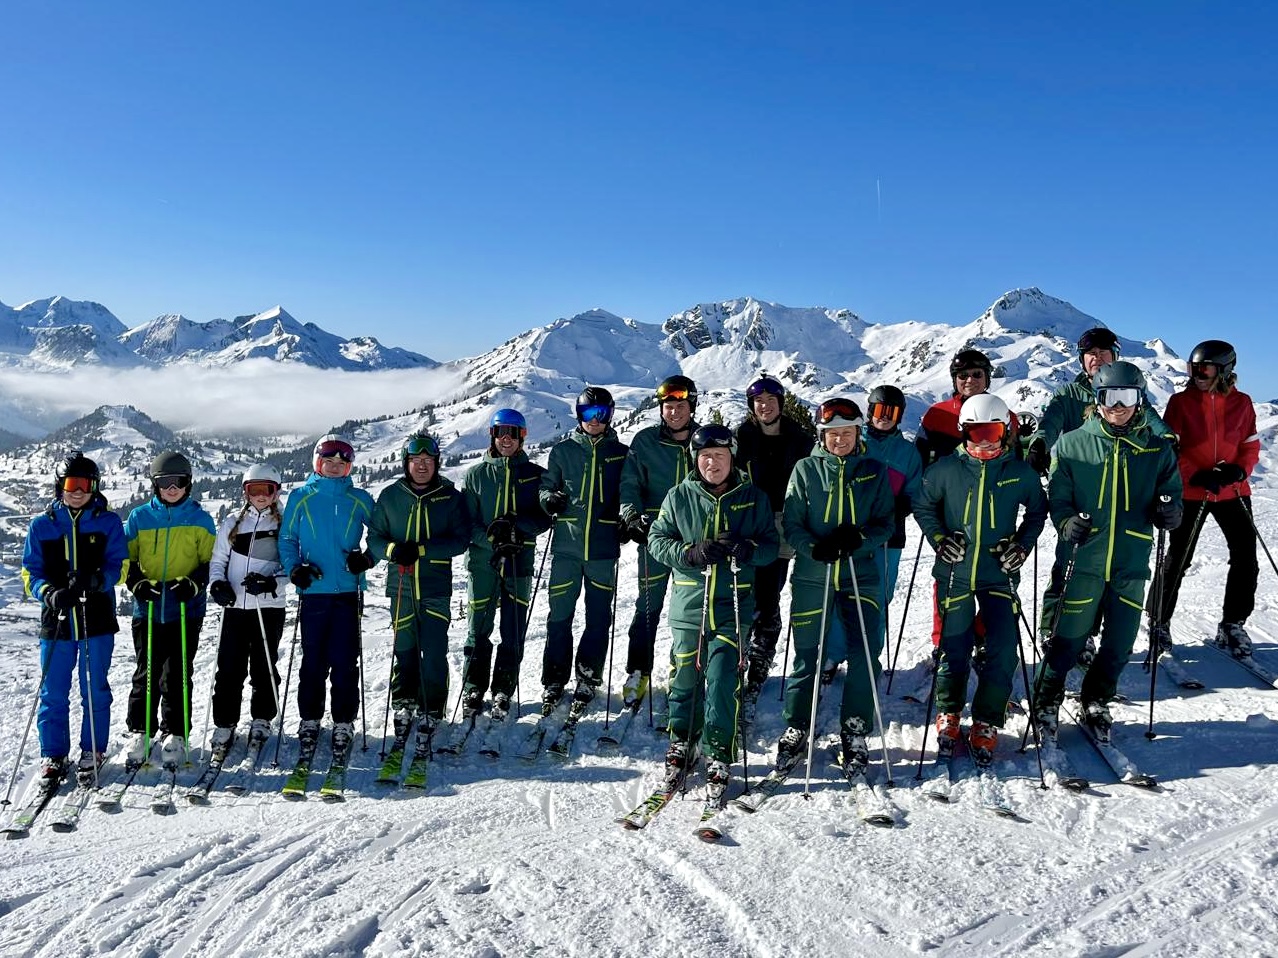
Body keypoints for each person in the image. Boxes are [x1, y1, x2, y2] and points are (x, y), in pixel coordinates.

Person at [1032, 361, 1182, 744]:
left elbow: (1173, 497)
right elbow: (1059, 498)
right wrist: (1066, 523)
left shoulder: (1155, 448)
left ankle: (1097, 698)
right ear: (1096, 400)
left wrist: (1169, 512)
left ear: (1140, 399)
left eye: (1126, 397)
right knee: (1068, 637)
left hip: (1131, 559)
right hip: (1083, 559)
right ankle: (1046, 701)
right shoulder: (1072, 445)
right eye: (1108, 397)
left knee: (1120, 640)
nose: (1117, 406)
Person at [914, 394, 1047, 762]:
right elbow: (923, 505)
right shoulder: (945, 470)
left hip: (998, 575)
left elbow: (1037, 511)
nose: (984, 440)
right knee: (954, 646)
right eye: (976, 431)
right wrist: (940, 539)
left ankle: (987, 718)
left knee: (1003, 647)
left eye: (993, 431)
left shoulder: (1018, 473)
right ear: (963, 432)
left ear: (1005, 432)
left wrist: (1021, 546)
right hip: (955, 572)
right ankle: (950, 711)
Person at [647, 424, 778, 794]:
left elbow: (771, 546)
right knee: (685, 675)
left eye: (719, 456)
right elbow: (657, 541)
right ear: (696, 459)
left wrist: (747, 548)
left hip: (732, 604)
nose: (712, 463)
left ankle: (718, 750)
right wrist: (688, 554)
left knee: (723, 679)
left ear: (731, 458)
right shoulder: (679, 496)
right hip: (690, 602)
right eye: (705, 456)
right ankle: (682, 741)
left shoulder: (753, 498)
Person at [774, 398, 895, 777]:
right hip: (814, 571)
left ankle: (856, 727)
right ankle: (798, 723)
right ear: (822, 436)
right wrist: (814, 546)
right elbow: (792, 522)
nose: (839, 440)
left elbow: (886, 523)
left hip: (861, 571)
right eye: (832, 434)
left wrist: (858, 539)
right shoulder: (806, 470)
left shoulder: (874, 471)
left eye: (846, 433)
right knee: (807, 649)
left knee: (865, 649)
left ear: (858, 434)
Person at [21, 452, 128, 782]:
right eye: (71, 484)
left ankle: (92, 748)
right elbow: (30, 573)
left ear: (94, 487)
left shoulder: (107, 522)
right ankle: (53, 754)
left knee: (94, 688)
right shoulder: (42, 526)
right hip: (57, 620)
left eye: (84, 484)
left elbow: (120, 567)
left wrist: (97, 581)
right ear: (59, 486)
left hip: (96, 617)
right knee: (53, 690)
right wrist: (48, 593)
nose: (78, 491)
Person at [1152, 340, 1260, 657]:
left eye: (1205, 368)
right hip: (1191, 491)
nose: (1198, 374)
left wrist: (1239, 471)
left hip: (1231, 491)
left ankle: (1233, 624)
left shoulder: (1243, 403)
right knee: (1178, 559)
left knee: (1246, 559)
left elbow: (1250, 445)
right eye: (1193, 368)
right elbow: (1169, 447)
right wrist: (1193, 474)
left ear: (1224, 370)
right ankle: (1160, 621)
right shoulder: (1180, 403)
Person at [366, 431, 470, 754]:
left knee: (434, 650)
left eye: (427, 461)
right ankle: (404, 700)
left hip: (435, 586)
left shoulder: (449, 498)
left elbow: (460, 539)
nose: (422, 466)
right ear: (406, 464)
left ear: (436, 463)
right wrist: (394, 550)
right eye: (415, 461)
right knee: (405, 647)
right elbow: (374, 538)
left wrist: (423, 550)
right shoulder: (390, 497)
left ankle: (432, 708)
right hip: (401, 587)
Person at [279, 434, 375, 762]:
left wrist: (368, 557)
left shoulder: (359, 498)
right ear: (317, 463)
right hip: (314, 592)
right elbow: (288, 538)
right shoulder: (302, 497)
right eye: (328, 462)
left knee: (346, 661)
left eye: (342, 463)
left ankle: (344, 721)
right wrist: (295, 570)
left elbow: (381, 532)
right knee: (314, 661)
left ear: (349, 466)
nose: (335, 468)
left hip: (348, 592)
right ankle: (310, 719)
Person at [124, 450, 218, 767]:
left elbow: (210, 562)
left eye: (178, 482)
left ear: (188, 484)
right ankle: (141, 730)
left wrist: (193, 583)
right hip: (147, 608)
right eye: (164, 482)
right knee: (145, 673)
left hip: (184, 609)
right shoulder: (139, 518)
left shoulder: (200, 520)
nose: (172, 488)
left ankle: (175, 733)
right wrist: (136, 582)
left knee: (177, 673)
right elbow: (127, 559)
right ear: (155, 484)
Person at [539, 387, 629, 712]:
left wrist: (627, 518)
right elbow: (547, 486)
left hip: (603, 551)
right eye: (589, 414)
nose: (595, 420)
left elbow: (629, 493)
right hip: (567, 548)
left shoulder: (620, 454)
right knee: (559, 616)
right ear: (579, 416)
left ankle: (588, 676)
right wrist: (549, 500)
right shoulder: (563, 452)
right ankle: (554, 678)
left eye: (601, 414)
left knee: (598, 618)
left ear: (610, 415)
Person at [461, 410, 552, 723]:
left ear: (522, 436)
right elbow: (467, 524)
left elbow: (543, 519)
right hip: (483, 562)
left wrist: (517, 528)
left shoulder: (534, 474)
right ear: (492, 435)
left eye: (513, 433)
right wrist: (493, 539)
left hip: (519, 560)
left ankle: (503, 688)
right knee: (478, 627)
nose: (506, 438)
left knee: (513, 628)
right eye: (501, 432)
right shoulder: (475, 475)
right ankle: (474, 687)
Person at [617, 374, 700, 708]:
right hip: (655, 537)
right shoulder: (645, 441)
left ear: (691, 406)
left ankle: (683, 664)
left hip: (694, 540)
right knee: (648, 604)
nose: (674, 412)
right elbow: (630, 483)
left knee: (690, 609)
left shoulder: (704, 441)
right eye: (669, 406)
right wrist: (631, 516)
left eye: (681, 405)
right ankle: (639, 670)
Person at [734, 374, 815, 699]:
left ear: (780, 404)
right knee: (745, 586)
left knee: (770, 586)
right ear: (752, 407)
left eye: (770, 400)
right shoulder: (744, 436)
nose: (764, 406)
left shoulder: (798, 438)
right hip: (751, 517)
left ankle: (760, 654)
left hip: (783, 520)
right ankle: (740, 650)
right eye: (758, 402)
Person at [206, 464, 287, 757]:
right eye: (254, 490)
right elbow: (218, 561)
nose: (260, 496)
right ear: (245, 492)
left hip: (268, 607)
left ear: (275, 491)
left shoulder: (284, 524)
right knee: (229, 668)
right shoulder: (232, 523)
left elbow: (292, 565)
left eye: (266, 490)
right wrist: (217, 584)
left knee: (263, 665)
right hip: (235, 607)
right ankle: (225, 722)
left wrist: (270, 583)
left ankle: (262, 718)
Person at [1025, 327, 1169, 474]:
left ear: (1114, 356)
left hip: (1125, 469)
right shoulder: (1069, 394)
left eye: (1103, 352)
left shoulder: (1128, 390)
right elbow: (1051, 423)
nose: (1097, 357)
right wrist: (1038, 446)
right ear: (1082, 359)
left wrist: (1167, 438)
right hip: (1081, 469)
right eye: (1091, 353)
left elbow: (1150, 418)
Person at [862, 384, 924, 636]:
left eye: (892, 411)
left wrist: (896, 508)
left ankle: (871, 651)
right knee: (846, 590)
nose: (885, 416)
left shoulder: (907, 452)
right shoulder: (855, 443)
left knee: (880, 591)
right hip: (853, 528)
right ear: (870, 411)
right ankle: (834, 653)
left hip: (890, 533)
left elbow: (914, 491)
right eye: (880, 409)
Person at [915, 349, 1021, 468]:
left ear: (986, 377)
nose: (970, 380)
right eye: (963, 375)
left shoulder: (1005, 415)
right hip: (946, 484)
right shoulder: (937, 414)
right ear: (955, 381)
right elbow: (917, 458)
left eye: (977, 374)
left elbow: (1015, 460)